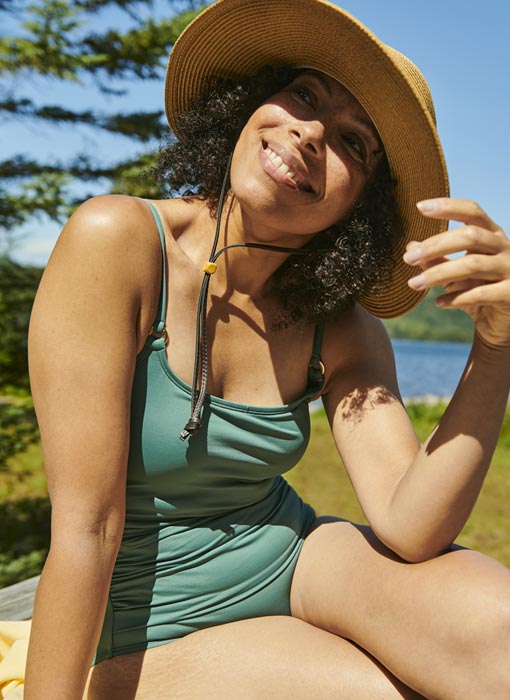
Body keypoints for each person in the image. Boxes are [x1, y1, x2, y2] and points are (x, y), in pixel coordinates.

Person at [24, 0, 510, 698]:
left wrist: (496, 348)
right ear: (247, 107)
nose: (310, 133)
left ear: (362, 208)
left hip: (295, 558)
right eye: (303, 95)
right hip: (146, 622)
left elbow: (409, 526)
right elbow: (88, 527)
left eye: (353, 144)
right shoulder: (119, 242)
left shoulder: (339, 327)